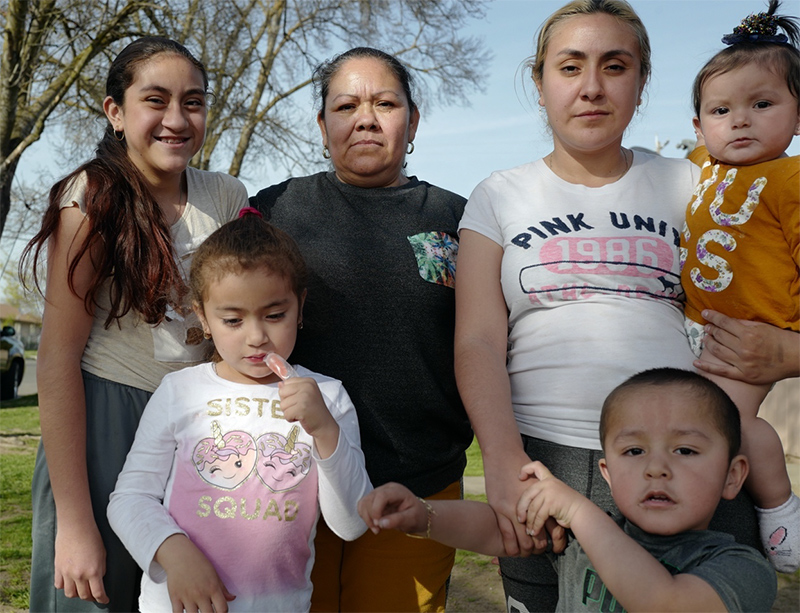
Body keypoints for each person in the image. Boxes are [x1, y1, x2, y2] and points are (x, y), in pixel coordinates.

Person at [454, 1, 799, 610]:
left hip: (688, 462)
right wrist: (504, 458)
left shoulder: (697, 182)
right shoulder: (497, 195)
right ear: (540, 83)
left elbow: (771, 287)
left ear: (641, 83)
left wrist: (788, 351)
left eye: (615, 66)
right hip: (546, 460)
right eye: (570, 67)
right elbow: (479, 340)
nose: (591, 87)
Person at [21, 37, 249, 611]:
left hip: (195, 427)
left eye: (193, 102)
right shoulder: (92, 198)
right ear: (116, 112)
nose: (177, 119)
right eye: (156, 100)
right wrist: (75, 523)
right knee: (94, 594)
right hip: (104, 422)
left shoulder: (225, 196)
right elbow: (56, 358)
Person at [250, 47, 473, 612]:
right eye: (346, 105)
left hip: (417, 484)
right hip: (288, 482)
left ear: (412, 120)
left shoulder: (463, 219)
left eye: (385, 103)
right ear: (323, 126)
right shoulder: (273, 209)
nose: (366, 118)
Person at [107, 211, 372, 612]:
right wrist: (175, 554)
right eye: (232, 319)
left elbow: (351, 524)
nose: (257, 337)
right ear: (204, 317)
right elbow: (129, 499)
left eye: (275, 315)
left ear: (300, 307)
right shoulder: (180, 391)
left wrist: (325, 431)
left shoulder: (328, 398)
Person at [359, 368, 778, 613]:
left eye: (685, 450)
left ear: (732, 476)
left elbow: (662, 603)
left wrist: (579, 511)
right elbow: (499, 528)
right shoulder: (584, 541)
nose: (656, 468)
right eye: (633, 450)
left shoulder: (741, 568)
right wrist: (422, 515)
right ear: (608, 474)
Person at [681, 0, 800, 573]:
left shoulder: (792, 178)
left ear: (798, 115)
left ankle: (778, 508)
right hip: (692, 324)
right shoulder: (704, 165)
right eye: (721, 109)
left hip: (751, 330)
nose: (741, 120)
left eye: (763, 104)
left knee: (727, 422)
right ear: (700, 125)